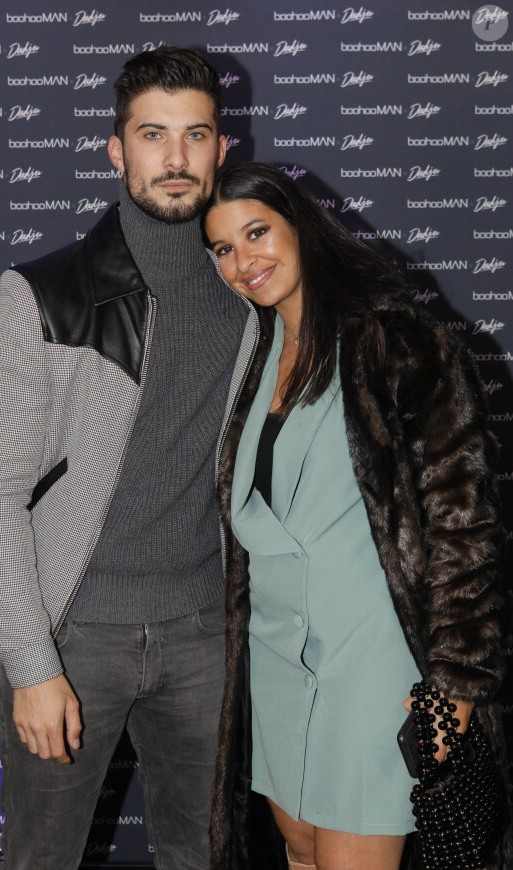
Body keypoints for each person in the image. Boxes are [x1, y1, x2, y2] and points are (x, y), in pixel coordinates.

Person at [0, 48, 261, 870]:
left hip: (204, 633)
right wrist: (32, 663)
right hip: (73, 635)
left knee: (204, 857)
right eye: (153, 135)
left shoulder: (252, 295)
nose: (174, 158)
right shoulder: (44, 295)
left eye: (194, 135)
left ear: (220, 150)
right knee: (41, 861)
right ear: (116, 149)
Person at [203, 163, 507, 870]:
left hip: (374, 669)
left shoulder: (399, 345)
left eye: (256, 233)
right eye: (222, 249)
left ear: (300, 227)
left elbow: (465, 529)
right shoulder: (252, 357)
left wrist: (456, 688)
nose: (243, 261)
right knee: (302, 851)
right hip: (276, 666)